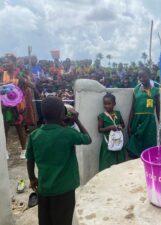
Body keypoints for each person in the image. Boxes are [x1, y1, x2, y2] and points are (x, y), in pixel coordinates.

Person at [26, 96, 91, 225]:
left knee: (46, 220)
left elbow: (29, 159)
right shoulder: (67, 133)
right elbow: (87, 138)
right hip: (64, 190)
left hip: (44, 189)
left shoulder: (34, 135)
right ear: (62, 114)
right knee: (63, 220)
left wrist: (33, 179)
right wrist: (77, 121)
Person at [126, 68, 160, 158]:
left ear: (149, 75)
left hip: (150, 122)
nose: (141, 79)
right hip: (137, 121)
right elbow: (132, 109)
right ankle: (137, 165)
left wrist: (160, 123)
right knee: (136, 143)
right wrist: (129, 125)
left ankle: (148, 164)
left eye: (144, 76)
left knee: (149, 143)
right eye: (139, 77)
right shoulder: (136, 90)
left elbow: (158, 110)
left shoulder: (156, 90)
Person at [0, 53, 28, 159]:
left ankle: (24, 150)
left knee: (19, 126)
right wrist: (3, 86)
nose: (5, 64)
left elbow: (30, 84)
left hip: (18, 105)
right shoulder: (2, 74)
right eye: (4, 62)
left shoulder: (19, 74)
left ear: (14, 63)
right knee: (5, 127)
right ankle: (4, 150)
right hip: (5, 105)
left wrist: (23, 81)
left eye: (8, 61)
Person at [98, 93, 125, 171]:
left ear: (114, 104)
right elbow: (99, 130)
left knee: (119, 160)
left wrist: (119, 126)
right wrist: (109, 128)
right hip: (107, 142)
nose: (106, 106)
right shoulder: (101, 116)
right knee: (107, 161)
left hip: (118, 140)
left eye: (109, 104)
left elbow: (123, 125)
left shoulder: (118, 113)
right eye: (105, 104)